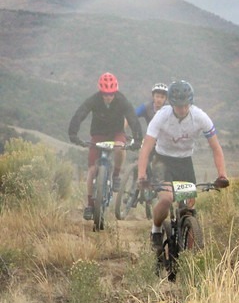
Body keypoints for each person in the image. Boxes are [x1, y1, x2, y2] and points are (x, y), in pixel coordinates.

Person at [136, 80, 229, 250]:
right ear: (171, 104)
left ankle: (189, 249)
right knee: (167, 198)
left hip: (185, 162)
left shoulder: (200, 117)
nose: (183, 109)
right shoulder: (161, 116)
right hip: (163, 161)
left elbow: (216, 147)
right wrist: (141, 175)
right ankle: (156, 230)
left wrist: (222, 175)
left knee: (187, 206)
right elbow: (146, 148)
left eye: (186, 105)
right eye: (179, 106)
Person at [68, 72, 142, 221]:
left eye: (111, 94)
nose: (109, 97)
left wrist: (138, 139)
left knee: (120, 147)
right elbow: (80, 113)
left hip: (117, 132)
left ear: (115, 91)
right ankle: (90, 204)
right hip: (98, 133)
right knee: (91, 170)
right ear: (101, 92)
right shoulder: (94, 99)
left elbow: (132, 119)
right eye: (105, 94)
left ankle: (116, 175)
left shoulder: (122, 100)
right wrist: (73, 133)